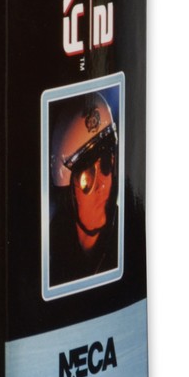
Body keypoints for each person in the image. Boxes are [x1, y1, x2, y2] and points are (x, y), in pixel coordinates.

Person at [49, 92, 120, 284]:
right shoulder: (48, 255)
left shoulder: (132, 234)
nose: (102, 185)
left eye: (106, 164)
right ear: (67, 194)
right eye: (86, 177)